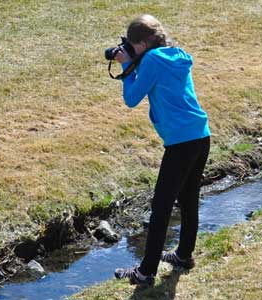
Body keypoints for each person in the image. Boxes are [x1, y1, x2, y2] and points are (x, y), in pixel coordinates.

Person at [111, 14, 211, 286]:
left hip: (181, 143)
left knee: (161, 207)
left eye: (132, 45)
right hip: (201, 135)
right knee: (189, 199)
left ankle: (145, 273)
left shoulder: (152, 60)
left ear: (142, 44)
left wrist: (127, 65)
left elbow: (132, 99)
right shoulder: (176, 54)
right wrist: (134, 63)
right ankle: (183, 255)